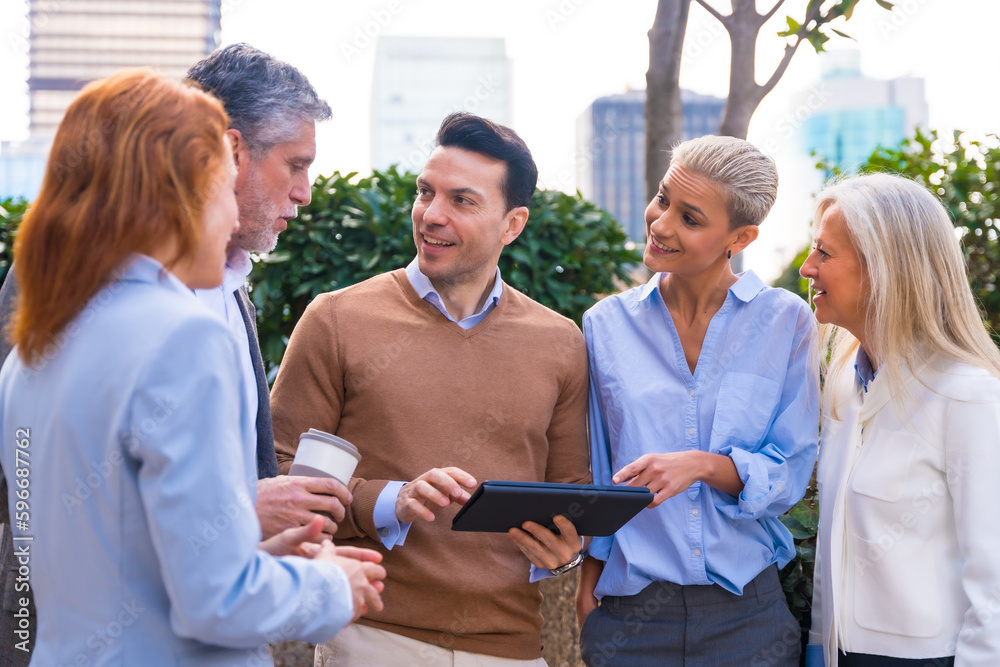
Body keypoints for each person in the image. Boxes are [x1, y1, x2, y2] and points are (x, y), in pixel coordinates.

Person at [0, 69, 385, 666]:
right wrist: (333, 586)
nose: (232, 217)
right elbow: (215, 602)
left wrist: (241, 546)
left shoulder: (32, 350)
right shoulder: (183, 337)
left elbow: (98, 551)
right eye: (222, 185)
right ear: (179, 190)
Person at [269, 112, 591, 666]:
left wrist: (564, 551)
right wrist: (394, 499)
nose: (431, 215)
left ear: (512, 225)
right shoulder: (337, 319)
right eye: (425, 193)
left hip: (513, 651)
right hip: (372, 637)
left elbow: (570, 493)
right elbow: (278, 478)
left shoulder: (561, 343)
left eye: (462, 201)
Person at [576, 135, 818, 666]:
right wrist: (586, 593)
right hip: (629, 619)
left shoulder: (787, 322)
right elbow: (598, 470)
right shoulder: (604, 327)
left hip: (749, 619)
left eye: (689, 218)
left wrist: (705, 466)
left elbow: (789, 473)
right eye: (663, 199)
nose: (660, 224)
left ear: (740, 237)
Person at [800, 173, 1000, 666]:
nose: (807, 269)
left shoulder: (968, 396)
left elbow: (994, 586)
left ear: (883, 268)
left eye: (824, 254)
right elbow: (833, 541)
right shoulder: (846, 379)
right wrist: (817, 648)